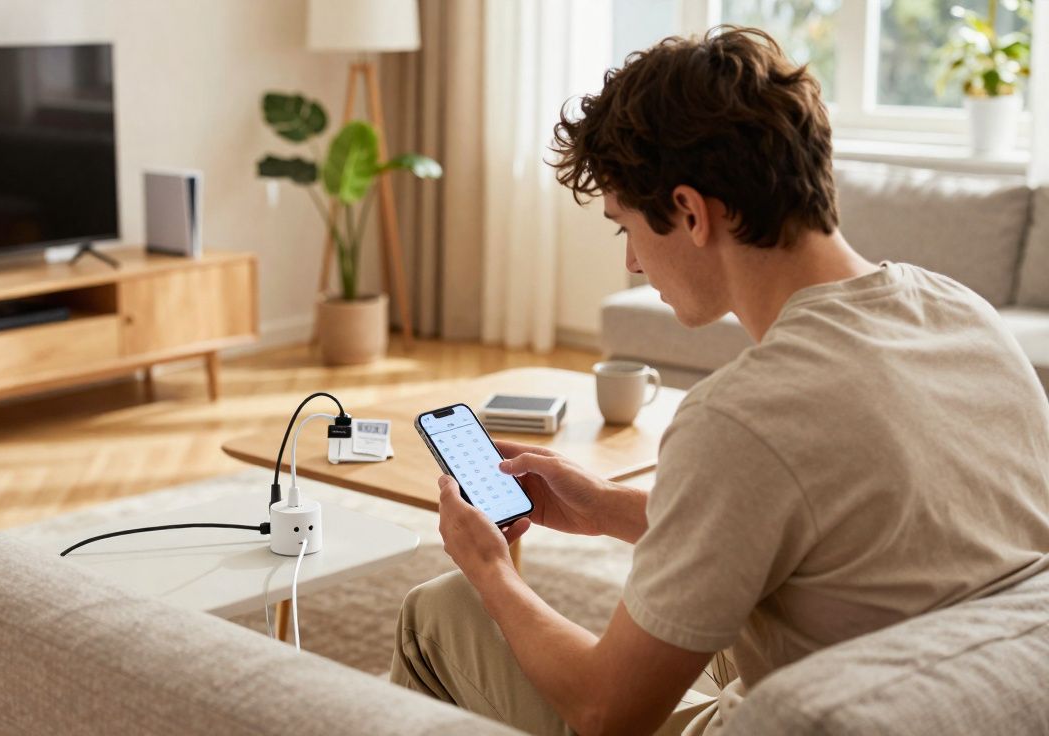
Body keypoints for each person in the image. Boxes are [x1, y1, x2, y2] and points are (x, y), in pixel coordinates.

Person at [389, 25, 1049, 736]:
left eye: (626, 230)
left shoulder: (740, 417)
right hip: (976, 701)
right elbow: (852, 534)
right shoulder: (964, 317)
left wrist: (491, 569)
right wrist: (611, 507)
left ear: (691, 213)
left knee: (442, 609)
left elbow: (607, 712)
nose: (633, 266)